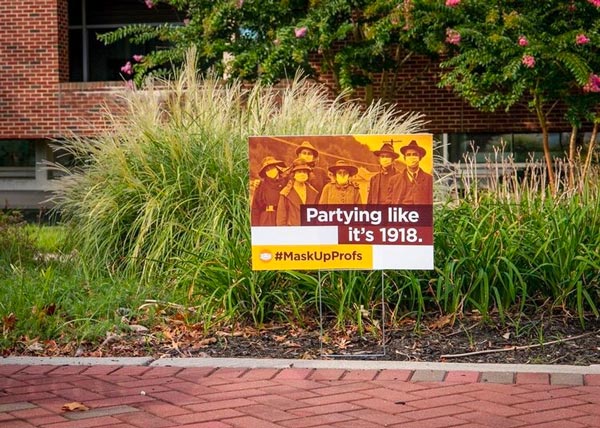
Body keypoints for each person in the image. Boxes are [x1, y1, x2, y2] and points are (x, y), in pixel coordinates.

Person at [387, 140, 433, 204]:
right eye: (408, 155)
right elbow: (388, 203)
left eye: (414, 154)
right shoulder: (394, 180)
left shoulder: (429, 179)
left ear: (420, 158)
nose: (411, 157)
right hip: (400, 213)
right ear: (404, 158)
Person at [276, 158, 319, 226]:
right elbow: (281, 219)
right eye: (299, 172)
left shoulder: (314, 193)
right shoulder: (285, 193)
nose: (302, 174)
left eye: (305, 172)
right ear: (294, 175)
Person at [251, 156, 286, 226]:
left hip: (283, 218)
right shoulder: (261, 186)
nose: (270, 171)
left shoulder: (286, 182)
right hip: (266, 219)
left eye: (272, 168)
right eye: (267, 170)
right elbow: (255, 208)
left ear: (277, 168)